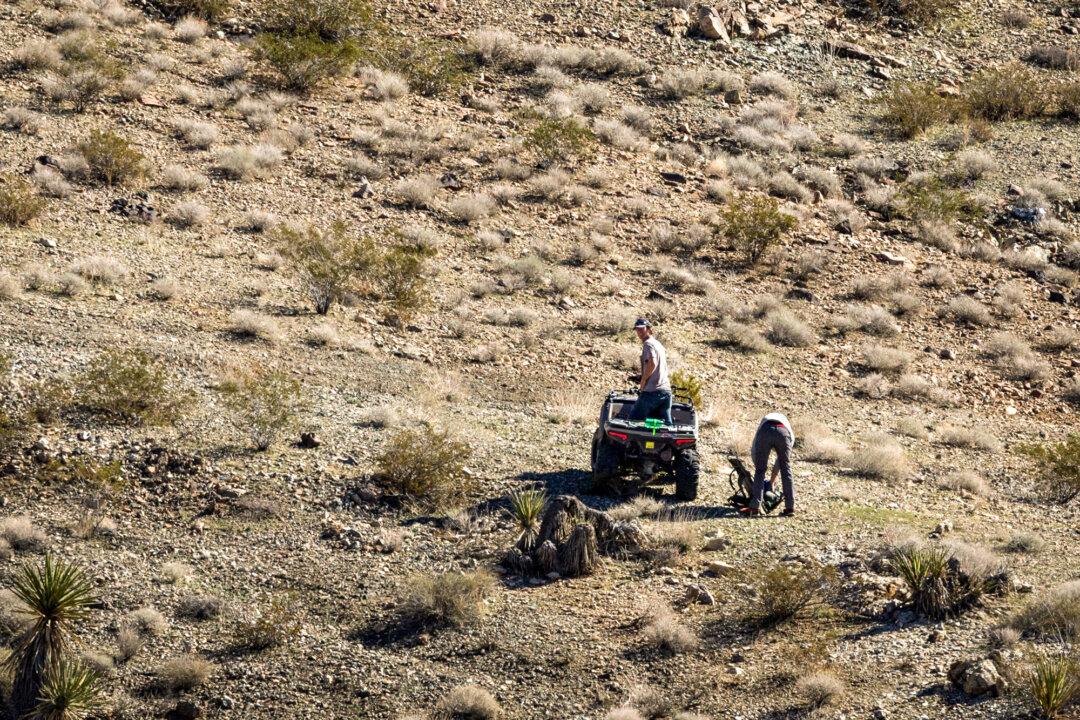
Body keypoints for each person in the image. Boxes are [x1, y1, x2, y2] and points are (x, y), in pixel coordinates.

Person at [744, 412, 796, 517]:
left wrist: (759, 466)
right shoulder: (789, 431)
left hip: (765, 431)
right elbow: (782, 464)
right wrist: (773, 478)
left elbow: (754, 451)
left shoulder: (763, 424)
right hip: (783, 433)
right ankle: (790, 507)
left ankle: (755, 507)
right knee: (786, 469)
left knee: (760, 470)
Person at [629, 318, 673, 426]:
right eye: (637, 329)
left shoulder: (648, 344)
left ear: (648, 329)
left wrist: (643, 380)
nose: (639, 332)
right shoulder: (658, 344)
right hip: (666, 391)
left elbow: (652, 363)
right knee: (666, 427)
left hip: (652, 391)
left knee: (632, 421)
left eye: (641, 329)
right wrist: (641, 375)